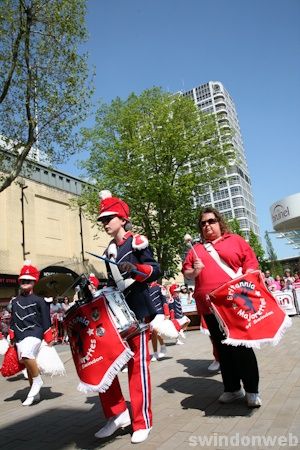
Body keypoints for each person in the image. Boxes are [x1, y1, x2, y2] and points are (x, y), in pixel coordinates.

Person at [94, 190, 160, 444]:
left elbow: (155, 270)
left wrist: (135, 268)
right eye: (103, 219)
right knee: (103, 363)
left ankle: (142, 421)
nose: (105, 223)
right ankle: (117, 413)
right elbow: (112, 283)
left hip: (139, 312)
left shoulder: (137, 241)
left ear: (122, 218)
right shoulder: (109, 249)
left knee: (138, 368)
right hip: (117, 315)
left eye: (109, 217)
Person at [182, 206, 262, 408]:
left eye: (211, 221)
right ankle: (233, 389)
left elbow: (250, 263)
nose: (207, 225)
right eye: (203, 223)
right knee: (223, 350)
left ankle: (252, 390)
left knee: (242, 347)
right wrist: (194, 271)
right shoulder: (196, 249)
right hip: (209, 308)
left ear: (219, 222)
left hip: (234, 304)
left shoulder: (235, 240)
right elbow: (187, 272)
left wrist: (248, 278)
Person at [9, 261, 53, 406]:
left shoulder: (40, 299)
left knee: (27, 354)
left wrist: (48, 335)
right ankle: (36, 394)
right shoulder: (15, 301)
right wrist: (12, 334)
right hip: (20, 335)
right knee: (28, 365)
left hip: (35, 333)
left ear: (35, 282)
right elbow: (13, 320)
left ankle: (38, 381)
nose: (25, 282)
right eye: (22, 280)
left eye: (28, 280)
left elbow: (46, 318)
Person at [148, 281, 168, 361]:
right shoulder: (145, 288)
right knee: (153, 333)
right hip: (150, 314)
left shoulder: (160, 287)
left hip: (160, 313)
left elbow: (164, 301)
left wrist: (167, 314)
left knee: (155, 330)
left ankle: (162, 348)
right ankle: (156, 352)